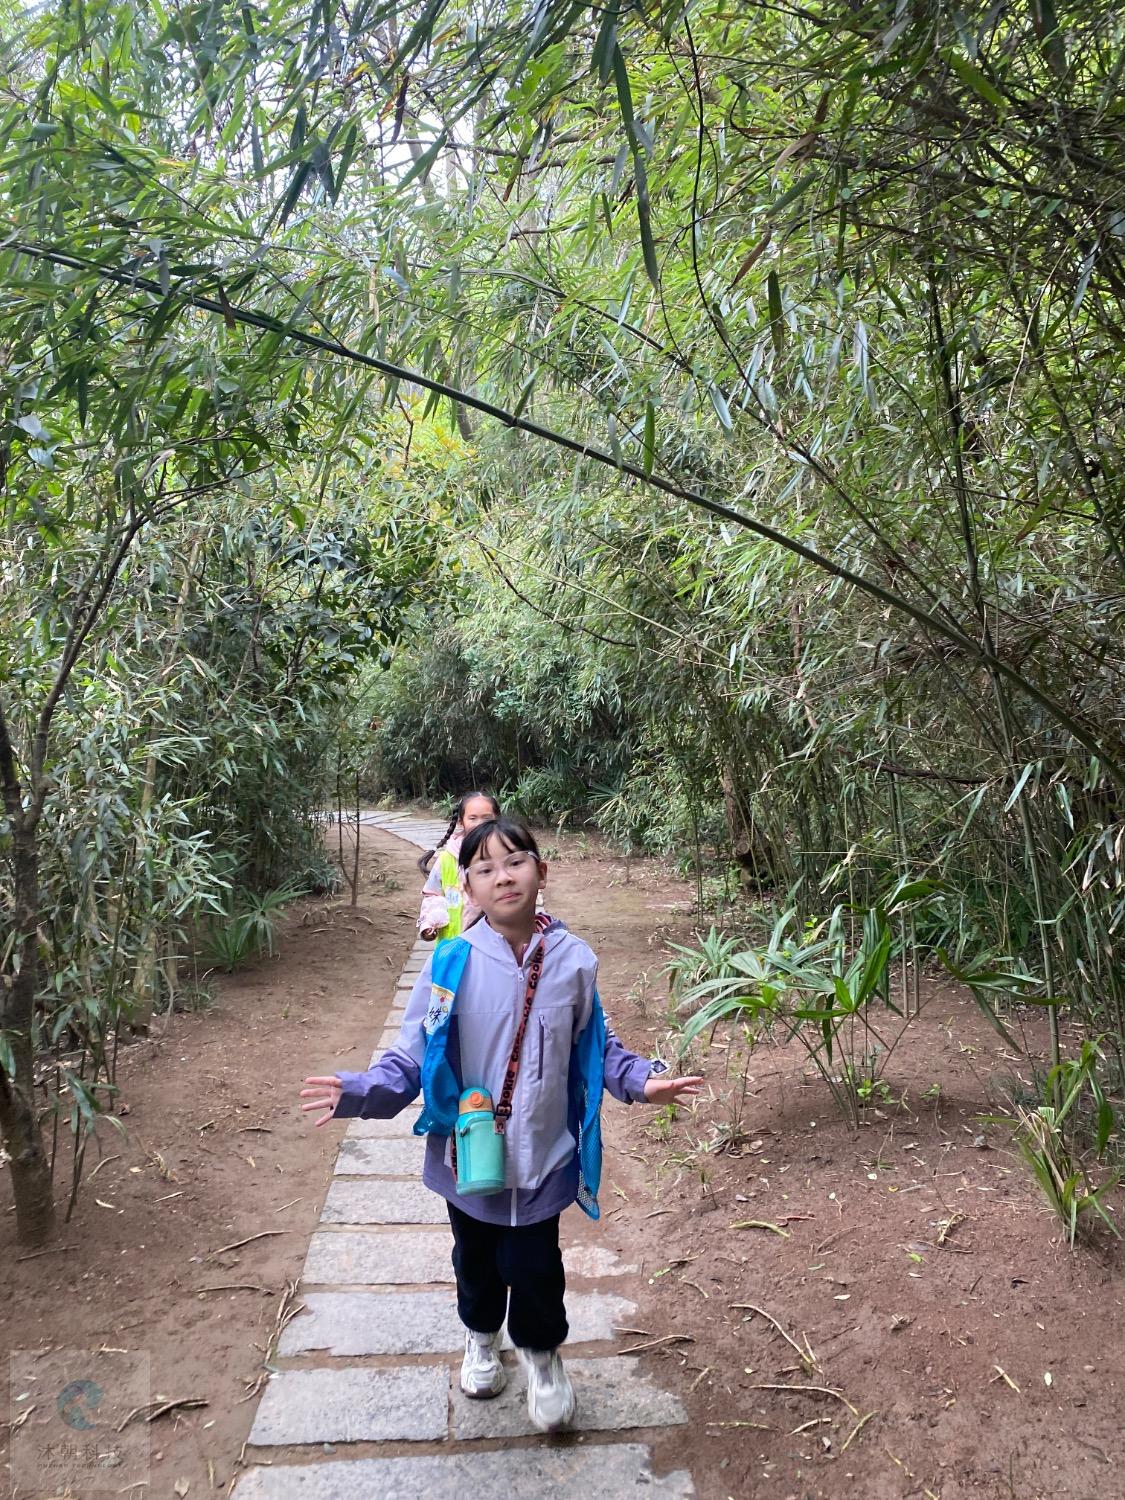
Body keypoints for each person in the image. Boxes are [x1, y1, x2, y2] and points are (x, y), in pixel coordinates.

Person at [301, 815, 703, 1433]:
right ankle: (482, 1338)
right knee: (476, 1262)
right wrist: (361, 1092)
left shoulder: (574, 962)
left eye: (515, 862)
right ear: (467, 887)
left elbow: (595, 1045)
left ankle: (542, 1356)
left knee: (537, 1268)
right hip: (469, 1157)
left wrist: (641, 1081)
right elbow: (415, 1055)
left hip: (543, 1153)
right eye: (484, 868)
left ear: (541, 871)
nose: (503, 876)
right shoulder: (451, 963)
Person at [416, 791, 501, 941]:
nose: (479, 823)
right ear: (461, 822)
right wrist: (429, 922)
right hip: (453, 943)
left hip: (495, 943)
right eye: (473, 818)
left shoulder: (505, 856)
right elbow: (432, 894)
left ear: (497, 819)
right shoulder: (447, 858)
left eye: (486, 818)